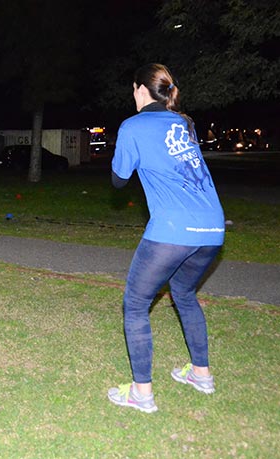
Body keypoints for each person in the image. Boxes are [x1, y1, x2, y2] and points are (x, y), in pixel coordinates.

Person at [107, 64, 225, 413]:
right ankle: (201, 374)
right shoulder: (184, 124)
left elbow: (118, 179)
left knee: (135, 304)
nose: (133, 96)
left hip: (173, 229)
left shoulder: (133, 126)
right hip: (213, 228)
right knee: (184, 294)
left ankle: (141, 394)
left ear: (141, 91)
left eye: (133, 91)